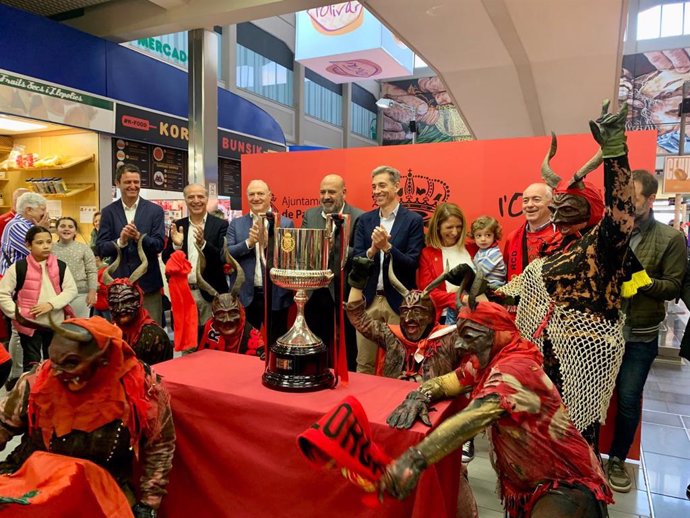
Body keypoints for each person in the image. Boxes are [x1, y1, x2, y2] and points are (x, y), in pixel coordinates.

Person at [496, 101, 640, 451]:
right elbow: (523, 288)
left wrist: (615, 152)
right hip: (549, 352)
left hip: (588, 354)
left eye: (568, 204)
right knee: (548, 434)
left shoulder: (603, 243)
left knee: (577, 437)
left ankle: (581, 493)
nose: (558, 210)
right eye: (556, 204)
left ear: (589, 208)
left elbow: (621, 209)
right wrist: (484, 293)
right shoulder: (558, 246)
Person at [381, 301, 612, 518]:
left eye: (469, 336)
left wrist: (413, 460)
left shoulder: (515, 369)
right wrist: (419, 395)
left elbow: (472, 419)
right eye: (460, 336)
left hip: (566, 485)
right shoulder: (485, 363)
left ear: (496, 335)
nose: (460, 345)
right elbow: (445, 383)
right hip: (529, 488)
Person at [0, 316, 175, 518]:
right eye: (53, 361)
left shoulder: (140, 389)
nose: (55, 373)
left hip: (104, 486)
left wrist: (148, 504)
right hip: (33, 478)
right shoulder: (37, 380)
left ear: (103, 359)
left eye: (70, 363)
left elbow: (160, 446)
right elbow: (3, 424)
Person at [344, 256, 478, 517]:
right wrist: (357, 282)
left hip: (434, 427)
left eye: (418, 311)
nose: (410, 318)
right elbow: (358, 316)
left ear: (432, 314)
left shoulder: (450, 339)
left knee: (445, 489)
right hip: (394, 420)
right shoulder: (392, 336)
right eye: (405, 312)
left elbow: (481, 327)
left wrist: (471, 287)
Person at [605, 170, 687, 493]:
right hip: (604, 331)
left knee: (627, 399)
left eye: (633, 197)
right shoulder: (611, 228)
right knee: (593, 396)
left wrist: (644, 282)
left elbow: (674, 287)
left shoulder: (671, 239)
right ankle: (587, 456)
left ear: (650, 199)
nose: (626, 203)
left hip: (640, 334)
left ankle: (617, 459)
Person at [352, 165, 425, 374]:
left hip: (399, 304)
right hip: (369, 300)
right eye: (374, 186)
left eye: (382, 185)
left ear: (396, 187)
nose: (377, 191)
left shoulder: (413, 220)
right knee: (364, 363)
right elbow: (357, 260)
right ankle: (362, 405)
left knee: (396, 364)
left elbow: (412, 263)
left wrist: (388, 248)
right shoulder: (365, 221)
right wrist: (373, 250)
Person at [302, 174, 364, 370]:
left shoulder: (359, 216)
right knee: (316, 342)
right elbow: (304, 250)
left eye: (331, 191)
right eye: (323, 192)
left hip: (345, 291)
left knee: (348, 345)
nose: (326, 196)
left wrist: (337, 246)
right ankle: (317, 374)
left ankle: (348, 379)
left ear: (343, 193)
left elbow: (361, 254)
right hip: (315, 291)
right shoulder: (309, 215)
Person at [0, 226, 77, 372]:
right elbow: (2, 293)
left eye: (49, 242)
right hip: (29, 324)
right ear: (28, 245)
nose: (46, 246)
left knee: (55, 362)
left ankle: (52, 392)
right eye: (40, 243)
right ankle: (31, 392)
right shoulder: (19, 267)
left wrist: (51, 304)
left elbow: (71, 290)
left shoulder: (61, 266)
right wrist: (18, 312)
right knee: (32, 363)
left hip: (55, 323)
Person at [226, 179, 294, 344]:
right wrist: (248, 243)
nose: (256, 198)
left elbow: (290, 258)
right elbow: (227, 254)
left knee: (276, 342)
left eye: (260, 193)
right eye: (252, 194)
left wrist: (268, 244)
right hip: (246, 295)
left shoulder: (285, 223)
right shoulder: (237, 224)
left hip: (276, 294)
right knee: (246, 343)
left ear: (270, 196)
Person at [97, 164, 165, 325]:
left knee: (151, 331)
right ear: (117, 183)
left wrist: (139, 237)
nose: (133, 186)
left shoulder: (155, 211)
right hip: (120, 288)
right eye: (128, 182)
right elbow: (101, 248)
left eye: (136, 182)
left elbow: (159, 245)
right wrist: (121, 241)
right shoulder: (108, 212)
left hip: (148, 285)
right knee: (123, 332)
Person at [162, 184, 229, 333]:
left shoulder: (221, 225)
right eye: (191, 197)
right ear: (185, 200)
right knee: (188, 345)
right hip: (184, 293)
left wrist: (204, 244)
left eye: (200, 196)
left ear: (206, 199)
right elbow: (166, 259)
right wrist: (176, 246)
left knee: (213, 341)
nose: (196, 200)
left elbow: (222, 258)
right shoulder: (178, 225)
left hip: (211, 295)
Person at [104, 241, 172, 366]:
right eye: (115, 303)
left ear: (138, 301)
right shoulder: (109, 334)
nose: (120, 309)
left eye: (126, 302)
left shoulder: (155, 337)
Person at [195, 248, 265, 357]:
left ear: (240, 312)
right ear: (214, 316)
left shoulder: (254, 339)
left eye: (232, 313)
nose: (227, 320)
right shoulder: (204, 331)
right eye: (221, 314)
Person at [417, 203, 475, 326]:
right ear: (438, 226)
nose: (455, 232)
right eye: (449, 227)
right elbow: (428, 292)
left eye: (459, 227)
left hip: (476, 316)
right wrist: (459, 298)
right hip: (444, 319)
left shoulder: (472, 247)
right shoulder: (428, 254)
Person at [502, 183, 556, 280]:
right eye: (525, 201)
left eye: (536, 200)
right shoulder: (513, 237)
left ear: (551, 203)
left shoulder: (563, 236)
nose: (529, 205)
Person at [53, 217, 98, 318]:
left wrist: (92, 291)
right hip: (56, 295)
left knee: (79, 328)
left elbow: (92, 271)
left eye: (70, 226)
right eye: (62, 226)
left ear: (75, 231)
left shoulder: (84, 249)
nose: (66, 229)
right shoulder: (50, 249)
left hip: (81, 295)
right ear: (56, 230)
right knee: (59, 328)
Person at [0, 192, 48, 274]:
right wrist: (42, 229)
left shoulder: (29, 225)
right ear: (29, 210)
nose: (45, 214)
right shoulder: (16, 226)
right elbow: (41, 252)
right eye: (42, 209)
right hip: (14, 281)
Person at [470, 216, 507, 289]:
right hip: (485, 283)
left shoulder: (494, 253)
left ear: (494, 236)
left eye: (488, 235)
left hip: (495, 286)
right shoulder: (481, 251)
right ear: (474, 237)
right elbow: (475, 267)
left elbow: (480, 273)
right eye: (479, 236)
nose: (483, 239)